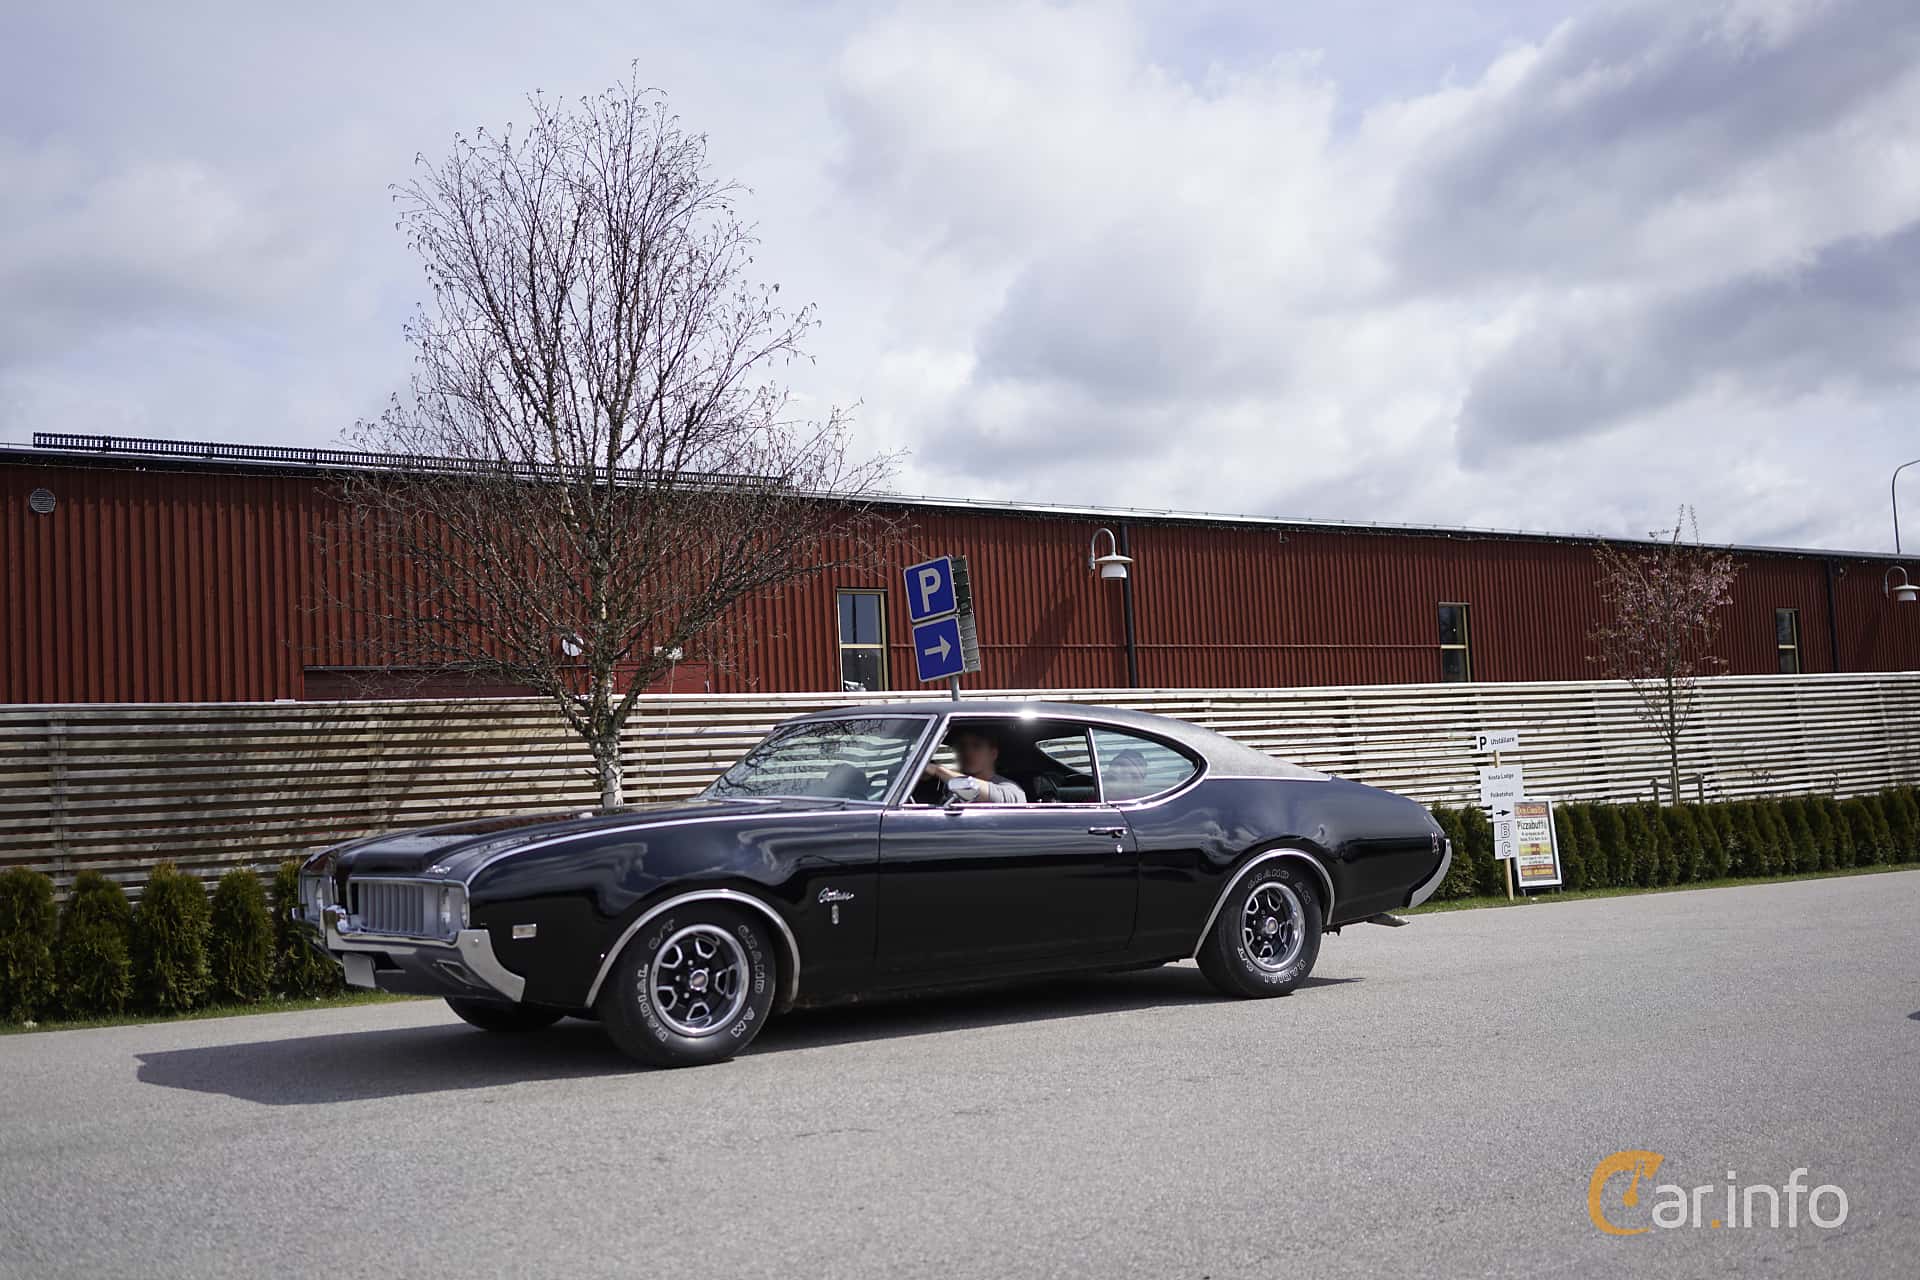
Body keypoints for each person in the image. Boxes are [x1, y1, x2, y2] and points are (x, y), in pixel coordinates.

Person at [922, 727, 1027, 804]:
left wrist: (938, 771)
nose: (967, 752)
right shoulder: (949, 787)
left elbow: (998, 797)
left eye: (977, 746)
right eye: (962, 746)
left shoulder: (1011, 788)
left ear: (993, 754)